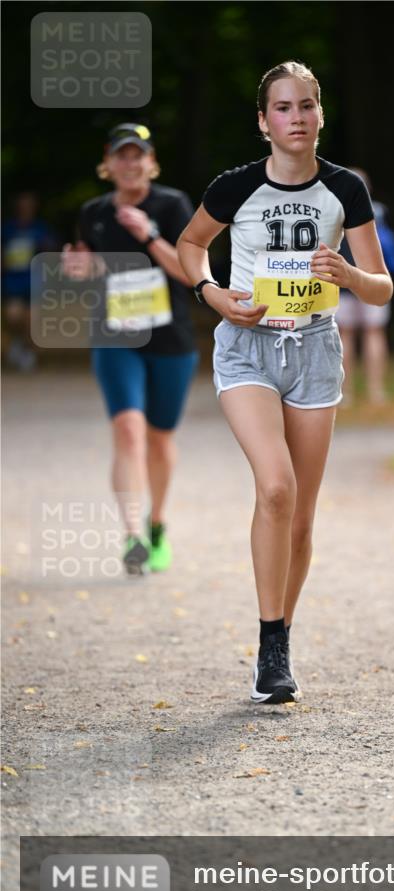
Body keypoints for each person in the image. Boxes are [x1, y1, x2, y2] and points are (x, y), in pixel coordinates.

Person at [177, 61, 392, 704]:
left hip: (317, 350)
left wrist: (349, 275)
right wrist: (213, 294)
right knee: (275, 488)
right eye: (283, 108)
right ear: (264, 121)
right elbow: (191, 245)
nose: (295, 118)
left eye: (306, 106)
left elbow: (382, 290)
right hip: (247, 348)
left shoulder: (344, 189)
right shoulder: (235, 187)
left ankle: (280, 640)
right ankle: (270, 644)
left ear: (320, 115)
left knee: (299, 517)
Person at [61, 124, 198, 575]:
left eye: (137, 154)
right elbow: (91, 270)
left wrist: (149, 235)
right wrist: (78, 269)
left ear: (150, 160)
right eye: (121, 155)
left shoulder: (172, 205)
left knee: (159, 438)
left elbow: (188, 272)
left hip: (170, 337)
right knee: (128, 431)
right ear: (109, 162)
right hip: (115, 336)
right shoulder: (92, 213)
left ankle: (156, 525)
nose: (129, 162)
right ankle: (132, 537)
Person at [336, 168, 394, 405]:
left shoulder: (333, 210)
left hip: (342, 282)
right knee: (374, 333)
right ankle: (376, 391)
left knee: (345, 334)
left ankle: (346, 392)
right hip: (372, 280)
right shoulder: (377, 211)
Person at [2, 191, 58, 372]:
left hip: (34, 281)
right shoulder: (7, 229)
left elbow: (51, 252)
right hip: (13, 281)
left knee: (32, 321)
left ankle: (26, 351)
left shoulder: (41, 228)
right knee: (13, 316)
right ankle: (18, 343)